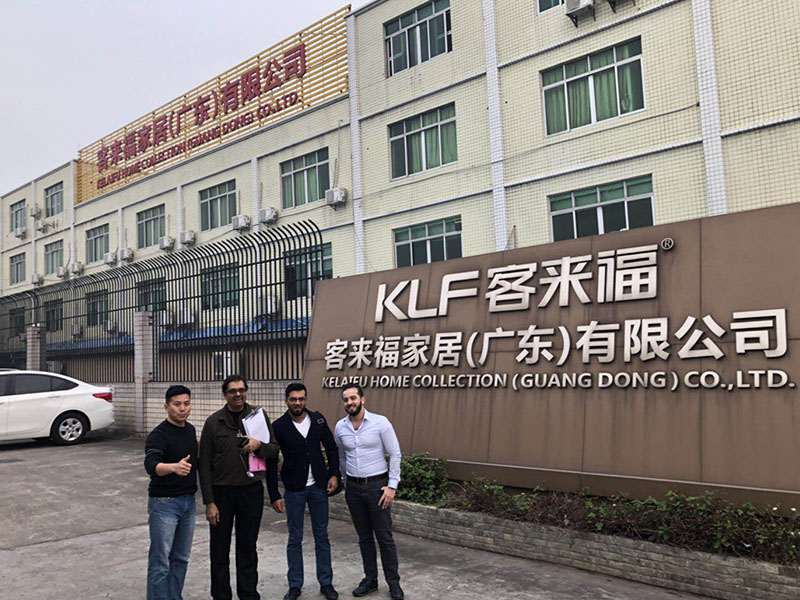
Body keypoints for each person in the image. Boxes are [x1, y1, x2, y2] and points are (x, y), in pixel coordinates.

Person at [198, 374, 279, 600]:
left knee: (247, 547)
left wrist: (258, 445)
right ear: (225, 394)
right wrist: (209, 502)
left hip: (251, 491)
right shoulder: (213, 422)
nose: (238, 394)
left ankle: (248, 594)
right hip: (221, 493)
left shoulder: (258, 417)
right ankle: (221, 595)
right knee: (219, 550)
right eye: (232, 391)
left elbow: (274, 449)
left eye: (242, 390)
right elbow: (204, 465)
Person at [267, 382, 341, 600]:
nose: (297, 403)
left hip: (318, 487)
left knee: (322, 536)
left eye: (301, 399)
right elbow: (271, 461)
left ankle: (326, 582)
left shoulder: (318, 420)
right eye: (293, 399)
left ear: (306, 400)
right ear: (286, 401)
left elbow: (331, 447)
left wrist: (334, 474)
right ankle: (295, 585)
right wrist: (274, 494)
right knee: (294, 538)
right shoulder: (279, 426)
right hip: (294, 490)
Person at [334, 384, 404, 600]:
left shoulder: (380, 423)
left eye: (353, 398)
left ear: (362, 399)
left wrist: (392, 486)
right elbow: (342, 456)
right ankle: (370, 580)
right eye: (346, 399)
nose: (350, 403)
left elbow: (395, 453)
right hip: (353, 489)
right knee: (364, 537)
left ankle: (394, 583)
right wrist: (345, 482)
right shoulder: (340, 427)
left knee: (384, 537)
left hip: (377, 487)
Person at [144, 384, 198, 600]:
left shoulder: (190, 430)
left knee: (181, 558)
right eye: (177, 404)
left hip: (188, 502)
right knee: (161, 562)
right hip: (164, 503)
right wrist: (173, 467)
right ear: (166, 407)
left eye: (186, 404)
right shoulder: (158, 435)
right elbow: (151, 465)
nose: (182, 409)